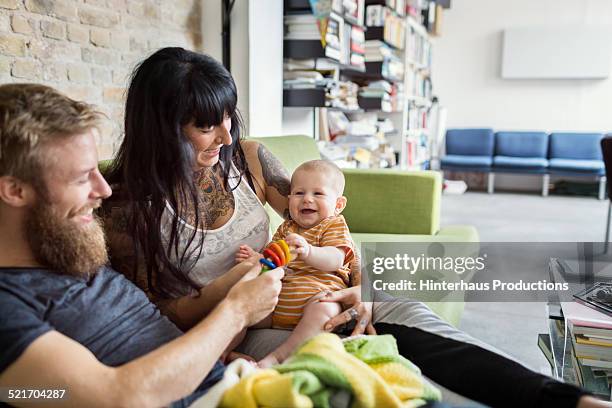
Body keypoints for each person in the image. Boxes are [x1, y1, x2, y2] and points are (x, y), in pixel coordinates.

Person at [102, 47, 606, 408]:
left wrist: (358, 280)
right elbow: (164, 314)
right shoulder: (126, 209)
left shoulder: (248, 161)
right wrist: (236, 298)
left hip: (314, 287)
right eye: (207, 125)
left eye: (229, 117)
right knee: (362, 360)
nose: (228, 134)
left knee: (407, 314)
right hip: (254, 327)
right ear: (162, 127)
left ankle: (565, 398)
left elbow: (322, 216)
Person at [0, 83, 285, 407]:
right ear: (15, 191)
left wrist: (216, 344)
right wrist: (237, 311)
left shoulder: (69, 246)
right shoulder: (9, 304)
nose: (103, 190)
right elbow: (115, 397)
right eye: (82, 178)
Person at [236, 160, 357, 367]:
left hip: (317, 297)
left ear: (338, 205)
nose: (307, 199)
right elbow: (273, 260)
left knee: (324, 309)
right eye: (299, 193)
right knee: (242, 307)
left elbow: (336, 258)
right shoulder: (286, 228)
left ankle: (278, 358)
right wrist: (258, 258)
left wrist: (309, 251)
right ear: (290, 198)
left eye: (318, 194)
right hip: (277, 304)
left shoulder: (333, 224)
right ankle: (225, 352)